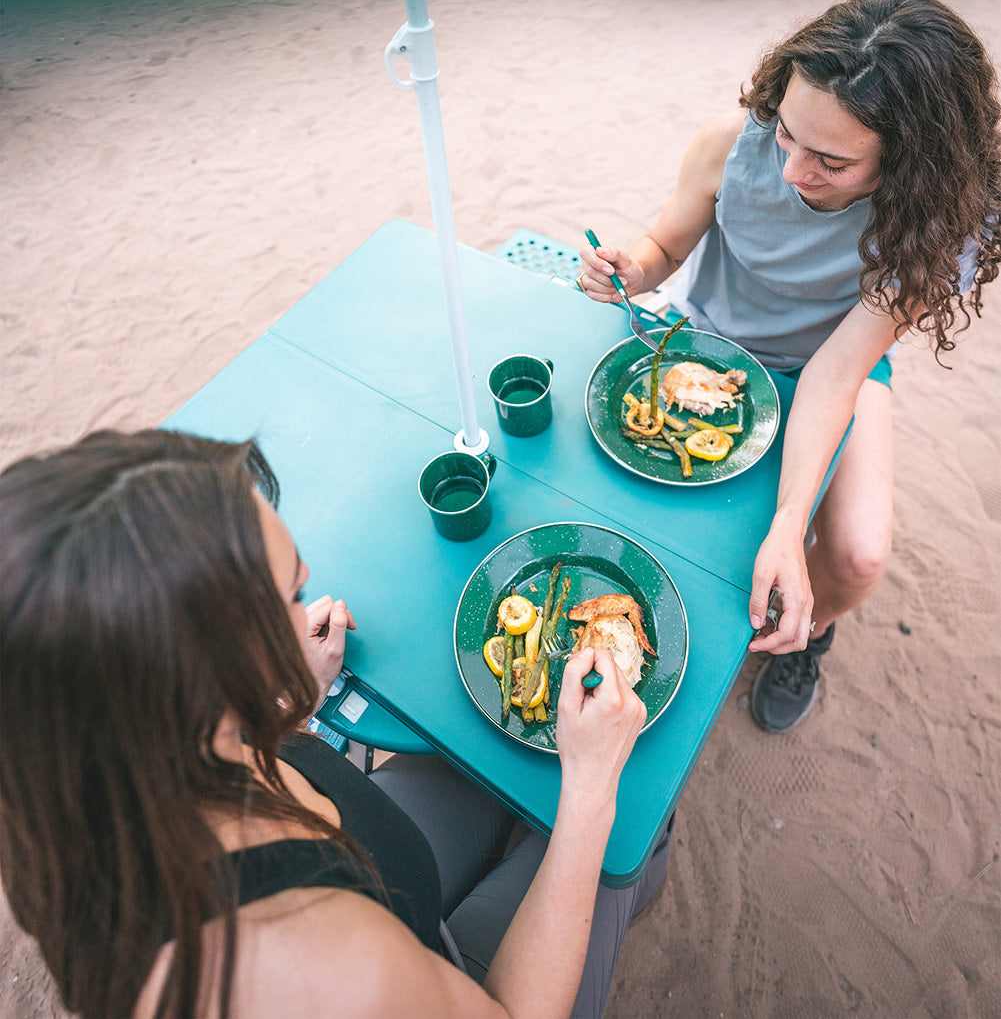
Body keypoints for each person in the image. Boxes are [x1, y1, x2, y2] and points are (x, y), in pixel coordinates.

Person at [0, 427, 669, 1019]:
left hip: (386, 880)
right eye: (291, 594)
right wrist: (589, 786)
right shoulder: (317, 970)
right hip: (451, 983)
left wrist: (289, 701)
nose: (308, 602)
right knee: (631, 824)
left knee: (482, 776)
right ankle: (644, 883)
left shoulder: (78, 776)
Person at [577, 0, 999, 734]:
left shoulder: (941, 226)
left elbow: (838, 372)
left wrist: (788, 521)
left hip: (829, 364)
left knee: (858, 555)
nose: (790, 172)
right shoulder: (732, 142)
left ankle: (809, 629)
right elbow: (665, 246)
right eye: (786, 136)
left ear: (911, 165)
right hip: (703, 332)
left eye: (831, 161)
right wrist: (633, 271)